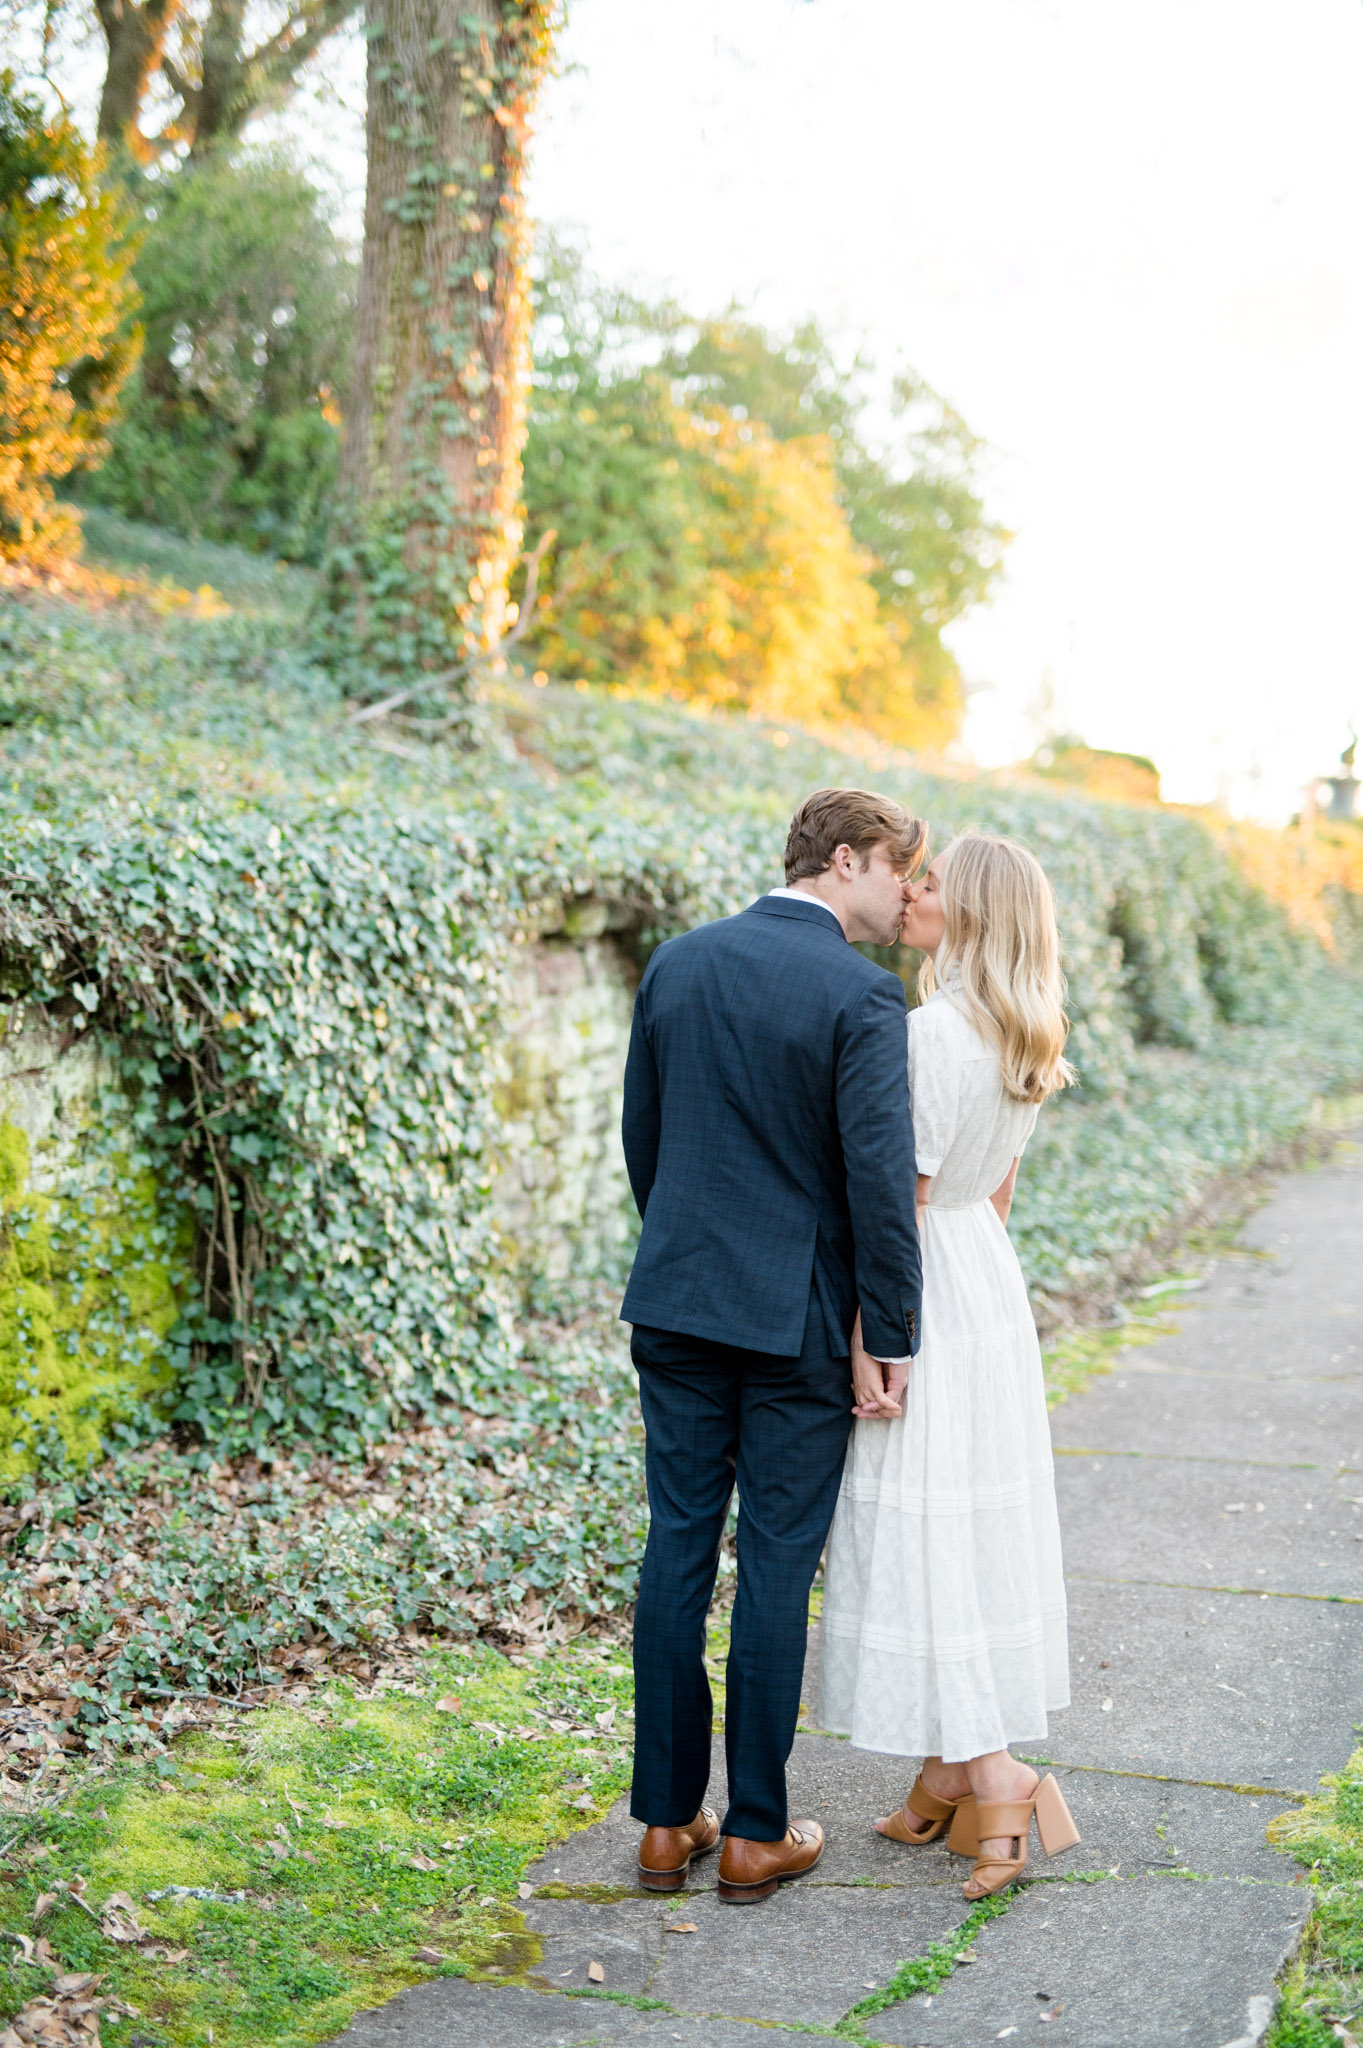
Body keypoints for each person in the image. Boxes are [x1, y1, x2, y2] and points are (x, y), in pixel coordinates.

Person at [621, 787, 926, 1905]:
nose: (906, 891)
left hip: (679, 1301)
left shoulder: (679, 962)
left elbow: (643, 1141)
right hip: (797, 1319)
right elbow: (878, 1186)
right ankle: (752, 1831)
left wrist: (693, 1251)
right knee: (775, 1566)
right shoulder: (859, 992)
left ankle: (663, 1823)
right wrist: (886, 1328)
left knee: (677, 1550)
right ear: (844, 860)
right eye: (900, 868)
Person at [819, 829, 1081, 1901]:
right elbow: (996, 1189)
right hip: (984, 1273)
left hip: (924, 1270)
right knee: (964, 1524)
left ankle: (998, 1780)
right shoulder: (1024, 1029)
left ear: (967, 912)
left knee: (921, 1528)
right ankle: (943, 1769)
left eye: (933, 885)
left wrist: (876, 1334)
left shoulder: (930, 1032)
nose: (913, 893)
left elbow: (904, 1198)